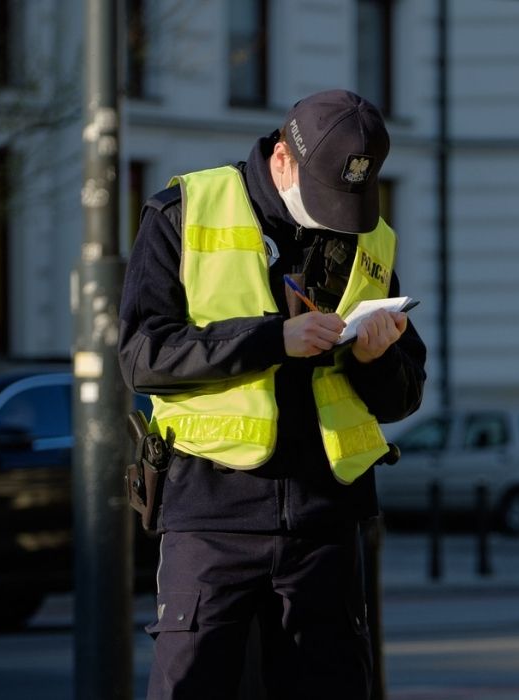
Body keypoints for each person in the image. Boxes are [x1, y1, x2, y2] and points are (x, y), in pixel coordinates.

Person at [119, 89, 427, 699]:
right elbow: (142, 357)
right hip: (211, 516)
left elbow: (402, 397)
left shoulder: (369, 235)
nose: (333, 216)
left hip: (326, 524)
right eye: (323, 197)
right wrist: (270, 340)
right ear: (281, 159)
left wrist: (375, 358)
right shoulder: (184, 210)